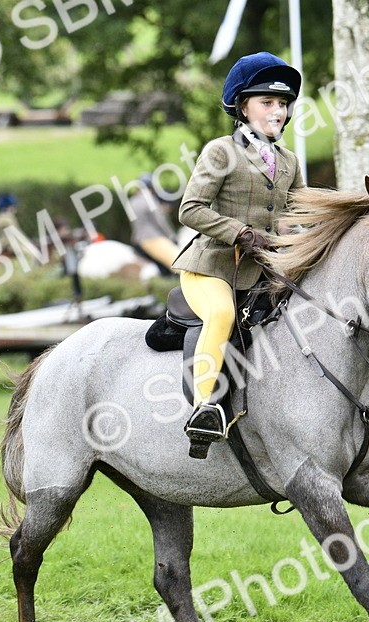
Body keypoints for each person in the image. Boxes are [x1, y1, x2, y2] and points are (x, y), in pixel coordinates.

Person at [172, 52, 305, 452]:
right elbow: (189, 209)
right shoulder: (220, 151)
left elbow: (291, 218)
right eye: (267, 102)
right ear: (242, 107)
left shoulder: (290, 161)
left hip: (263, 272)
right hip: (209, 269)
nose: (278, 111)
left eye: (282, 104)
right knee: (223, 313)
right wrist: (239, 233)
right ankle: (204, 407)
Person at [127, 174, 180, 277]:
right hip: (153, 238)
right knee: (178, 263)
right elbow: (160, 221)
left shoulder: (132, 201)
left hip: (138, 239)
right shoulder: (150, 200)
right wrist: (172, 235)